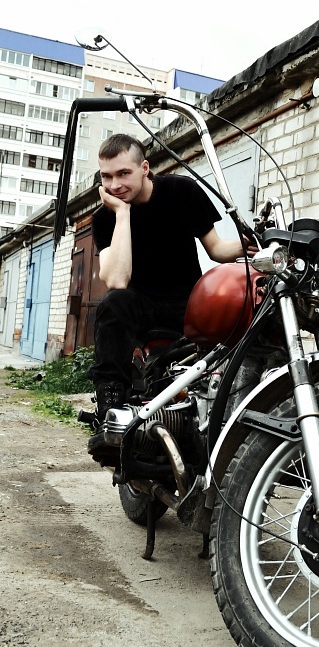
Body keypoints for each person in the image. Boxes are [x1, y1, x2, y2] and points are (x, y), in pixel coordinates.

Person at [87, 133, 255, 459]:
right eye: (107, 177)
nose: (115, 184)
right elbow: (117, 279)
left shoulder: (181, 191)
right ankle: (111, 412)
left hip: (189, 305)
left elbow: (217, 249)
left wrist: (251, 245)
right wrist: (122, 214)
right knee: (114, 304)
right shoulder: (105, 217)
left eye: (124, 173)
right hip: (140, 308)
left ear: (144, 168)